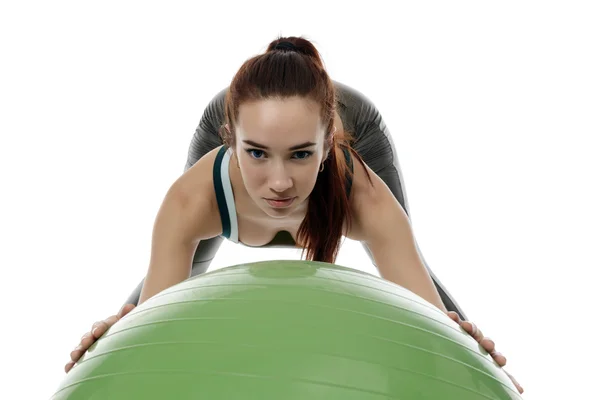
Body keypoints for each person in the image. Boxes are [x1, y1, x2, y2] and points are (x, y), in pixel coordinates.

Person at [64, 36, 523, 394]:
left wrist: (468, 346)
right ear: (229, 141)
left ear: (328, 147)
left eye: (300, 155)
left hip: (351, 120)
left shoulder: (365, 199)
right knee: (166, 289)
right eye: (257, 154)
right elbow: (154, 338)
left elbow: (427, 328)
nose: (280, 183)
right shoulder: (193, 201)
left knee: (429, 291)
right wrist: (120, 331)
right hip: (250, 119)